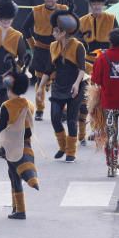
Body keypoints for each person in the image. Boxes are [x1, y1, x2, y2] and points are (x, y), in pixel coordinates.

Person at [88, 29, 119, 177]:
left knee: (111, 135)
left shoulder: (103, 58)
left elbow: (95, 80)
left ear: (110, 41)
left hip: (108, 103)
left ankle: (111, 168)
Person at [0, 71, 40, 219]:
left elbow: (2, 128)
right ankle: (17, 207)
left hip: (12, 145)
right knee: (19, 171)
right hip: (26, 143)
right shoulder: (27, 103)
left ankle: (20, 210)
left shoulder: (6, 106)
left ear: (9, 89)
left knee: (14, 176)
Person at [77, 0, 119, 145]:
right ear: (90, 4)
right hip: (88, 65)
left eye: (99, 3)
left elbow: (118, 42)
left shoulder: (111, 19)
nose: (96, 6)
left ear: (103, 4)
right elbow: (78, 44)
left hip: (106, 64)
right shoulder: (82, 21)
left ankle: (103, 129)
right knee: (91, 99)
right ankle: (95, 128)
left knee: (105, 99)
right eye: (94, 3)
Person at [22, 0, 68, 121]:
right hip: (41, 51)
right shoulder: (36, 10)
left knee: (59, 81)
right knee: (40, 80)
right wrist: (32, 45)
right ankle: (40, 109)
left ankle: (62, 110)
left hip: (58, 50)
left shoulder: (63, 9)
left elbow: (71, 28)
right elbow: (25, 28)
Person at [48, 10, 87, 163]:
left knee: (72, 119)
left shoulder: (78, 46)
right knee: (55, 118)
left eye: (56, 31)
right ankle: (62, 146)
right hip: (58, 87)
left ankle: (71, 152)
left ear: (63, 32)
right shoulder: (53, 46)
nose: (52, 33)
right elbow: (48, 68)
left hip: (74, 86)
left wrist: (77, 85)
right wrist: (40, 87)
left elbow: (82, 69)